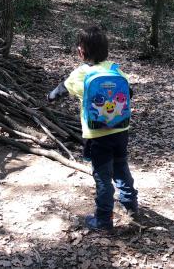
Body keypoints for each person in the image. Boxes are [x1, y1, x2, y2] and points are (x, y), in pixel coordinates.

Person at [48, 26, 139, 230]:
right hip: (120, 131)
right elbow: (129, 93)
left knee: (103, 176)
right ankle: (131, 206)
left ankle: (103, 219)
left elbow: (61, 90)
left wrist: (51, 96)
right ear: (106, 50)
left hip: (97, 135)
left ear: (81, 51)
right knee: (121, 168)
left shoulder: (81, 73)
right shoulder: (116, 70)